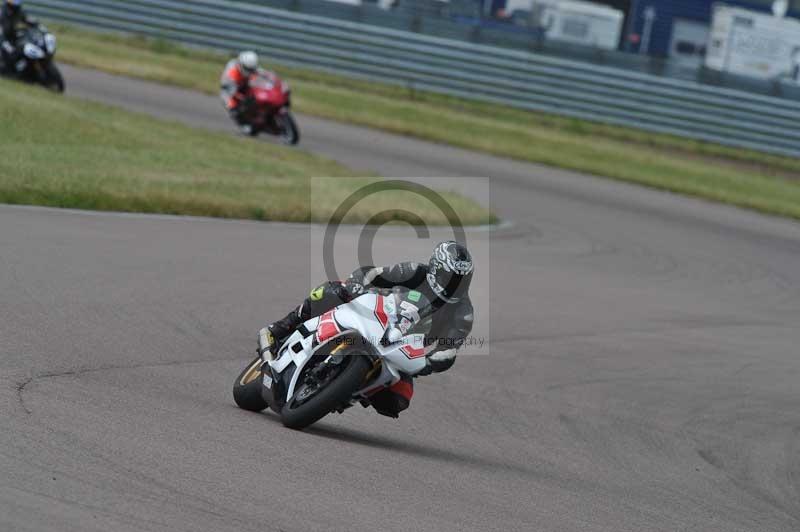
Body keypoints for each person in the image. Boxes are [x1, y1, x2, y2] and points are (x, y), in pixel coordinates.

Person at [260, 241, 475, 418]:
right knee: (330, 291)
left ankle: (344, 392)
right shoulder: (415, 271)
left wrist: (431, 363)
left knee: (397, 401)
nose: (455, 284)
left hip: (403, 348)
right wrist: (354, 285)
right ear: (436, 269)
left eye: (461, 280)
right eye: (451, 278)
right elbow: (376, 274)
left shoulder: (463, 313)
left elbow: (450, 348)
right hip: (379, 315)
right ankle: (280, 328)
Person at [219, 50, 260, 135]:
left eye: (252, 69)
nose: (250, 71)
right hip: (230, 90)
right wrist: (244, 98)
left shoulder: (249, 65)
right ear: (241, 65)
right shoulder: (231, 73)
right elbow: (231, 91)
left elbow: (259, 73)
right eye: (249, 69)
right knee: (232, 107)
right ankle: (243, 125)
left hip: (244, 83)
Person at [1, 0, 34, 74]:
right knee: (10, 51)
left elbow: (26, 19)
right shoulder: (2, 13)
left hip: (12, 35)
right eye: (12, 7)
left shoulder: (19, 12)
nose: (14, 9)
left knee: (21, 46)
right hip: (3, 38)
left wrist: (34, 23)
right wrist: (5, 44)